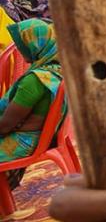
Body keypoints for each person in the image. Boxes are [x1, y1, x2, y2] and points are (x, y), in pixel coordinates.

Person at [1, 19, 66, 189]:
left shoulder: (35, 80)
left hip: (24, 142)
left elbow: (5, 126)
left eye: (22, 44)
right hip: (41, 137)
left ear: (35, 45)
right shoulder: (59, 71)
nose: (20, 49)